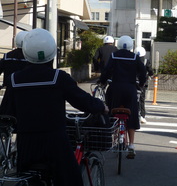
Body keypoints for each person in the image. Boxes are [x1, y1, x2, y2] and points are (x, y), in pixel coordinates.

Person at [4, 28, 107, 186]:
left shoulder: (15, 80)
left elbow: (6, 113)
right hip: (55, 142)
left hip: (26, 144)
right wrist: (101, 106)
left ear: (25, 52)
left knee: (25, 180)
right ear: (52, 53)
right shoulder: (58, 78)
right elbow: (82, 100)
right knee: (71, 181)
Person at [99, 35, 146, 159]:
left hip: (115, 88)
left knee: (111, 111)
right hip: (130, 89)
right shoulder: (135, 57)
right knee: (132, 113)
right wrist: (141, 83)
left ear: (119, 45)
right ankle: (131, 145)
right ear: (131, 46)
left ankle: (113, 135)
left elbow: (107, 71)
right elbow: (143, 72)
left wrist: (102, 81)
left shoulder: (114, 56)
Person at [0, 31, 29, 115]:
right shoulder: (30, 57)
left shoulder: (7, 56)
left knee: (6, 118)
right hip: (26, 91)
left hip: (10, 92)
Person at [134, 46, 154, 124]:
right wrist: (150, 75)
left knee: (132, 98)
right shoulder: (146, 61)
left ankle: (134, 114)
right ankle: (142, 116)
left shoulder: (133, 60)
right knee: (142, 99)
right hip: (142, 83)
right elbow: (150, 71)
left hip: (133, 82)